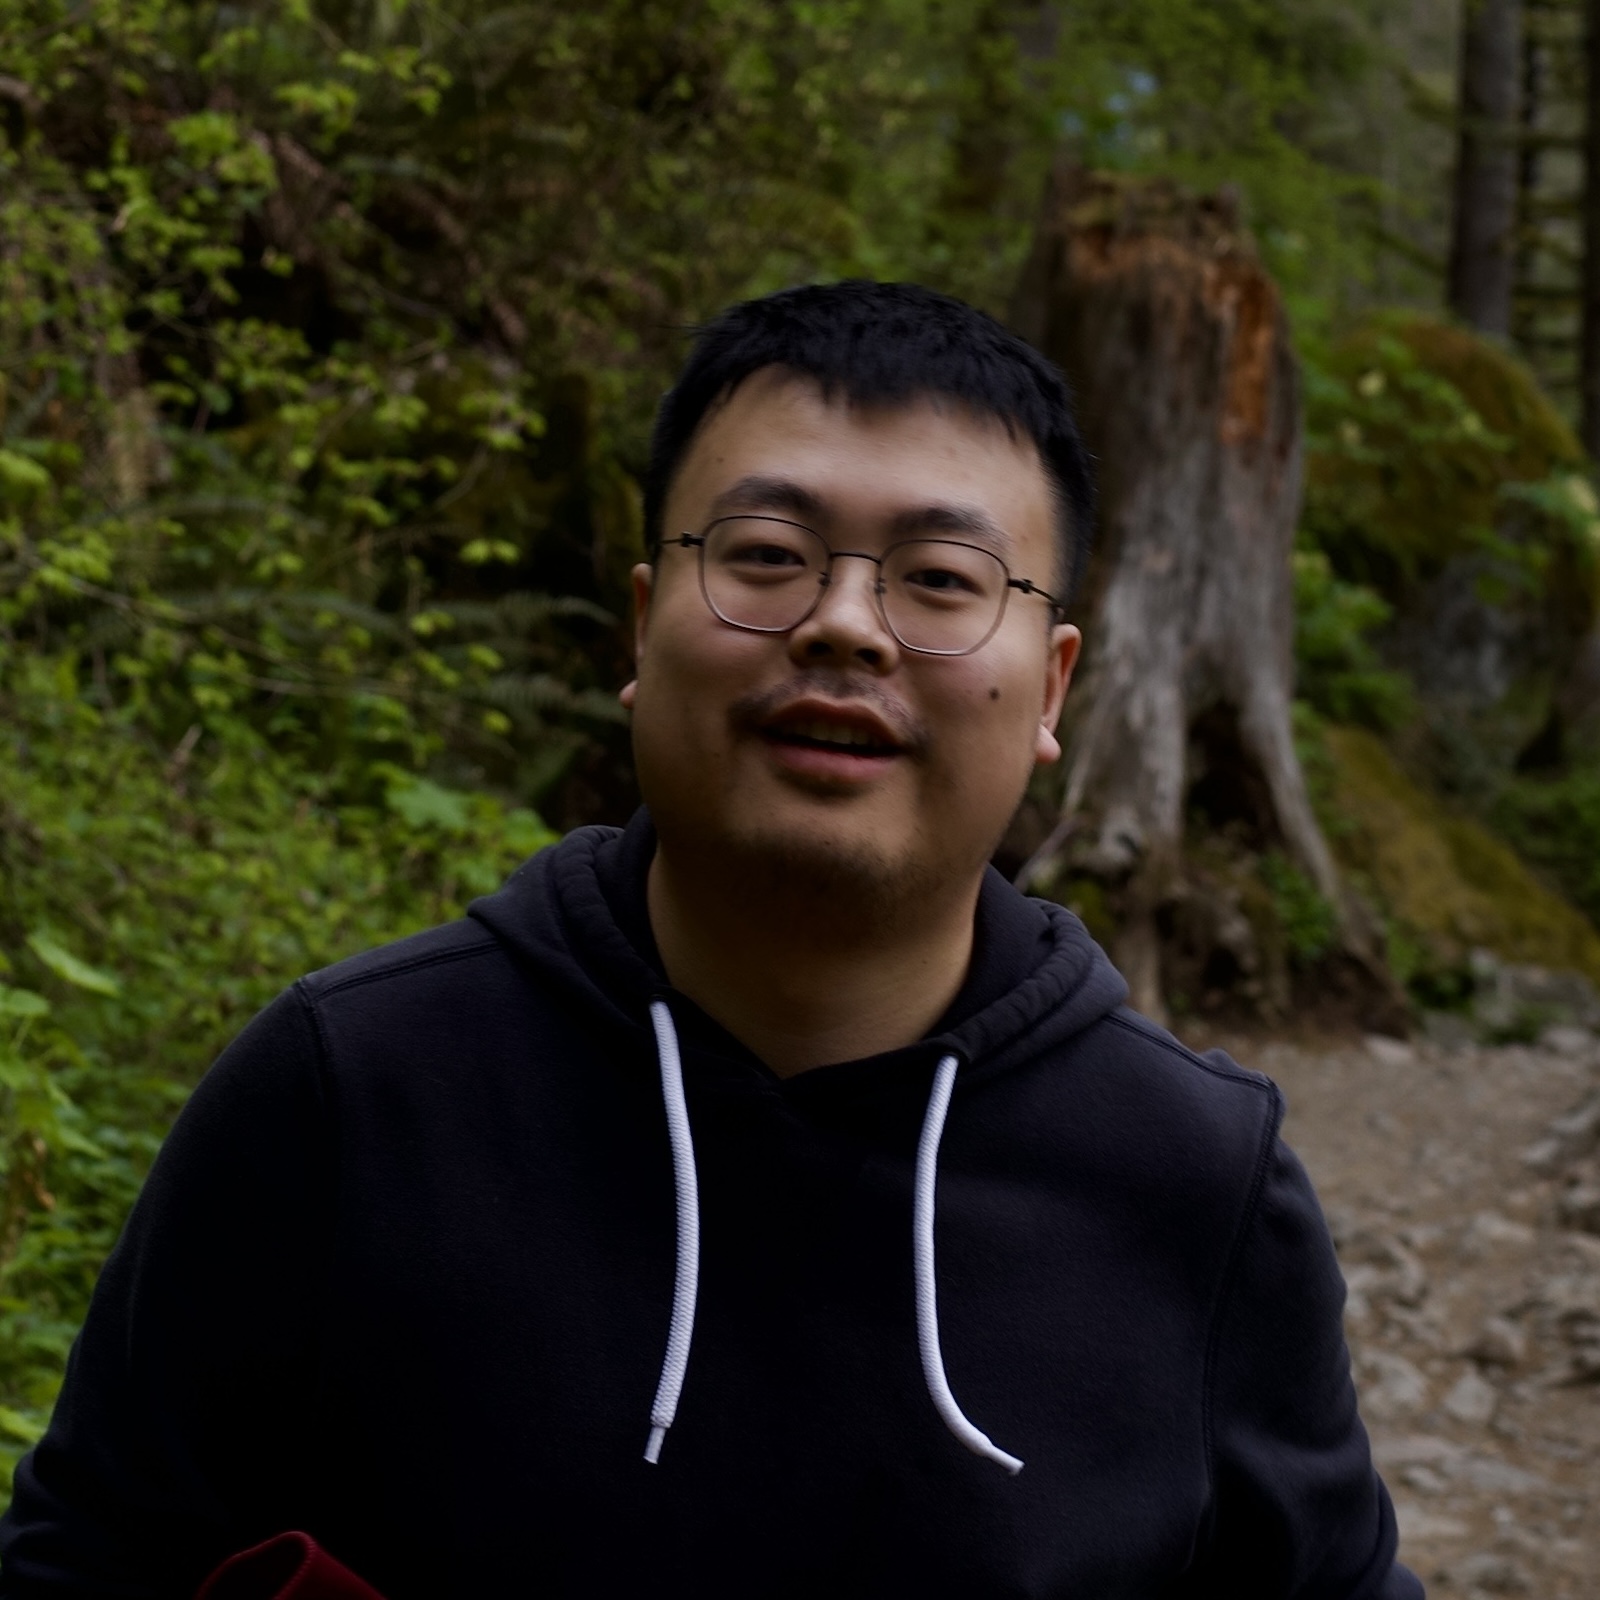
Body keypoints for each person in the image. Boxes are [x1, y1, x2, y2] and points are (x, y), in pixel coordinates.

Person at [0, 280, 1422, 1599]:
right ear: (644, 623)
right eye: (765, 555)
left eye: (940, 579)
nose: (845, 626)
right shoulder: (350, 1095)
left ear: (1051, 687)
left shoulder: (1192, 1178)